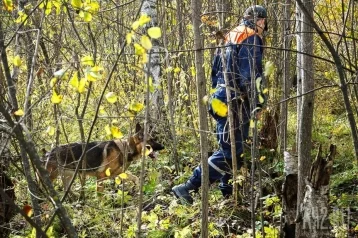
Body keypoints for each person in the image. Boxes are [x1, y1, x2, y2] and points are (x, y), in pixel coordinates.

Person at [172, 5, 268, 204]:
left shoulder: (230, 35)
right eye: (264, 24)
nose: (263, 28)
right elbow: (250, 76)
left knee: (233, 148)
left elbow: (214, 73)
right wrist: (257, 104)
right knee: (229, 151)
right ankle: (188, 186)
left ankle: (228, 193)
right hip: (234, 101)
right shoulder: (251, 37)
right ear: (260, 21)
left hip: (219, 98)